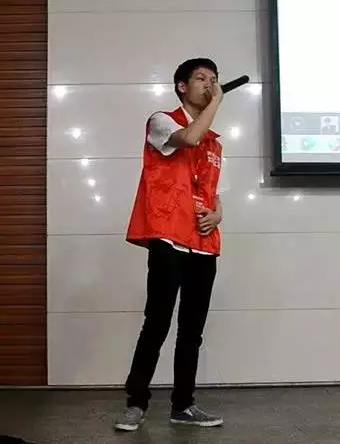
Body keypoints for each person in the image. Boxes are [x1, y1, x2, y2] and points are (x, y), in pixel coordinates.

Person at [114, 58, 226, 431]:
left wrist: (217, 214)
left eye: (214, 79)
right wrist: (216, 102)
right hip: (169, 237)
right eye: (201, 78)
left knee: (192, 331)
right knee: (157, 323)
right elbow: (188, 138)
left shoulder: (214, 142)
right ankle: (136, 403)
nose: (209, 84)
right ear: (181, 86)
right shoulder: (161, 121)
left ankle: (184, 405)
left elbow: (214, 192)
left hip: (204, 244)